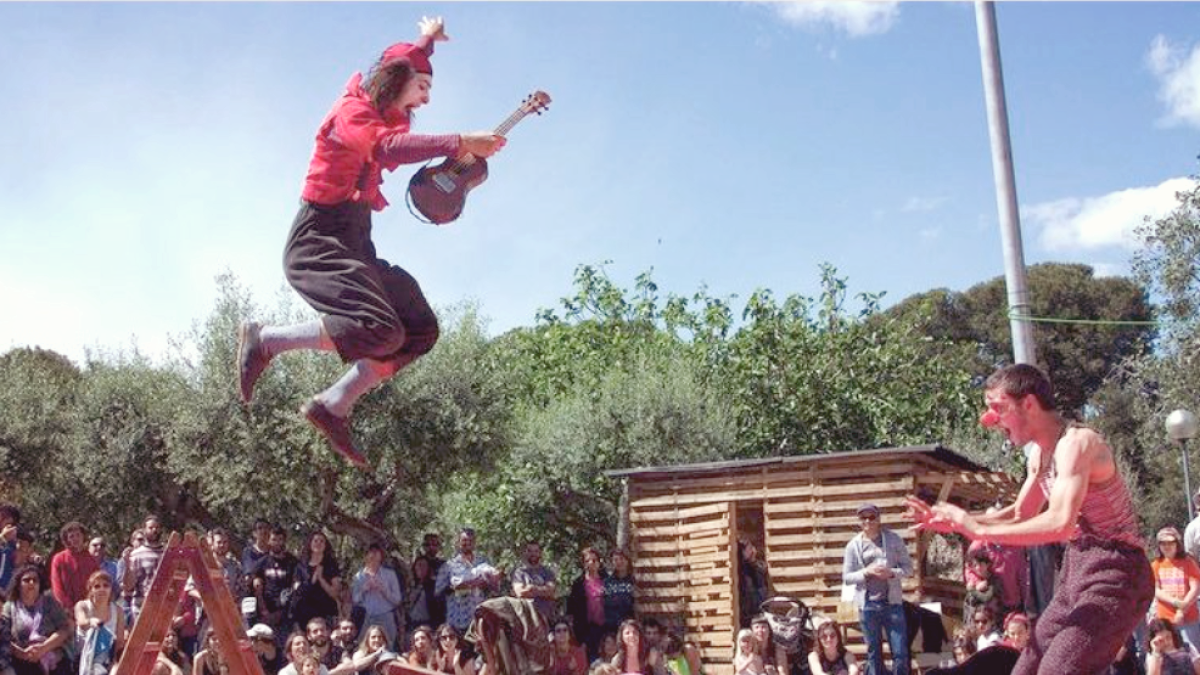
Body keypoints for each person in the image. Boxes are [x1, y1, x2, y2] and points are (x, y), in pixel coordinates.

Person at [235, 14, 506, 469]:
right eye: (422, 86)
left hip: (355, 242)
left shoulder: (384, 110)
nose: (427, 96)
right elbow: (386, 149)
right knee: (379, 329)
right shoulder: (353, 112)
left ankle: (333, 404)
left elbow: (406, 62)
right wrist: (460, 140)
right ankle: (265, 340)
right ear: (396, 79)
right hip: (318, 240)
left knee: (418, 329)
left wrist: (428, 39)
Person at [906, 363, 1154, 674]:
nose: (992, 420)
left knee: (1056, 670)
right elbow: (1020, 513)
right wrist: (960, 521)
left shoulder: (1077, 444)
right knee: (1025, 668)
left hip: (1120, 572)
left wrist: (976, 528)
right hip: (1077, 570)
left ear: (1029, 404)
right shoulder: (1039, 455)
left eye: (999, 408)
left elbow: (1060, 522)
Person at [842, 503, 911, 675]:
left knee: (900, 652)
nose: (868, 521)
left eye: (871, 517)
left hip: (892, 603)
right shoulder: (853, 546)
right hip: (867, 606)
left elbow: (908, 569)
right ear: (859, 521)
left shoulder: (894, 539)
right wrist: (866, 572)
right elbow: (847, 577)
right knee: (874, 654)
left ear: (879, 519)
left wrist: (891, 573)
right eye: (863, 518)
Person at [3, 564, 71, 675]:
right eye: (26, 580)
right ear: (18, 585)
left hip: (52, 657)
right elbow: (3, 636)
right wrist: (21, 653)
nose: (31, 583)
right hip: (21, 660)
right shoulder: (9, 606)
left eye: (35, 580)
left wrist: (43, 648)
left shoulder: (49, 601)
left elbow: (64, 629)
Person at [434, 529, 498, 635]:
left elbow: (494, 587)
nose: (467, 543)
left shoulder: (483, 563)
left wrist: (487, 583)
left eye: (470, 540)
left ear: (475, 543)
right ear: (458, 542)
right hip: (456, 621)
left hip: (479, 620)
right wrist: (460, 587)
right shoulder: (449, 566)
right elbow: (438, 592)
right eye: (464, 540)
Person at [1153, 526, 1200, 655]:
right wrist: (1175, 602)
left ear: (1177, 544)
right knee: (1171, 656)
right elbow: (1156, 590)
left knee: (1194, 654)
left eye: (1170, 542)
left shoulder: (1188, 562)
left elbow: (1195, 588)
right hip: (1165, 621)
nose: (1166, 546)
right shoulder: (1156, 564)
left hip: (1188, 618)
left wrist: (1181, 611)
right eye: (1163, 543)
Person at [75, 571, 126, 675]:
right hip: (83, 658)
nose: (102, 589)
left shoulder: (118, 611)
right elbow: (81, 622)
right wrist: (91, 622)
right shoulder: (82, 605)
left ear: (111, 589)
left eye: (106, 585)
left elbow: (119, 642)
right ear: (91, 590)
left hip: (106, 660)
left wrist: (114, 663)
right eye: (97, 586)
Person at [352, 544, 403, 649]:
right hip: (367, 617)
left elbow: (397, 600)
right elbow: (355, 600)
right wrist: (364, 589)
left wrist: (383, 590)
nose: (373, 556)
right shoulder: (358, 576)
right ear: (365, 556)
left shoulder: (390, 574)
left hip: (386, 617)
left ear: (381, 556)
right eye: (370, 553)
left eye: (376, 553)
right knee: (364, 648)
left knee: (388, 648)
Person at [567, 548, 608, 661]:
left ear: (599, 562)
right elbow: (571, 608)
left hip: (605, 627)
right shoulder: (578, 583)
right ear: (583, 564)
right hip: (585, 629)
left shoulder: (607, 581)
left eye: (594, 560)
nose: (591, 563)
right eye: (587, 561)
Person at [510, 541, 557, 625]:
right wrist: (542, 590)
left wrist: (531, 588)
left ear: (540, 553)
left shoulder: (548, 572)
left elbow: (550, 591)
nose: (533, 554)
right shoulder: (519, 572)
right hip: (525, 619)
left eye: (536, 551)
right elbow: (519, 593)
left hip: (545, 617)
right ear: (525, 553)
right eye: (530, 551)